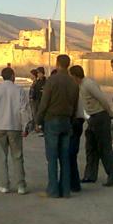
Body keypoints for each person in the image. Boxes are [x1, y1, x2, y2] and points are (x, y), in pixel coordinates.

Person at [36, 54, 79, 198]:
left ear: (57, 63)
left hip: (52, 121)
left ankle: (53, 190)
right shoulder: (73, 83)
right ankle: (65, 190)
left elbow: (44, 103)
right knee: (65, 157)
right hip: (66, 121)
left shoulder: (52, 81)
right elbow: (75, 104)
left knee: (52, 157)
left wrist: (38, 120)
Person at [70, 66, 113, 187]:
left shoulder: (88, 84)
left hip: (100, 117)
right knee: (90, 147)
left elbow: (102, 99)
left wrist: (111, 114)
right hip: (92, 118)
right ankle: (90, 175)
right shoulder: (80, 86)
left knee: (104, 148)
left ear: (75, 76)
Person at [0, 67, 31, 195]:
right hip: (14, 127)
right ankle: (21, 186)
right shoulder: (19, 91)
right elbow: (24, 109)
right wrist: (25, 126)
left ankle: (4, 185)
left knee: (1, 156)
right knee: (17, 156)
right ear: (12, 76)